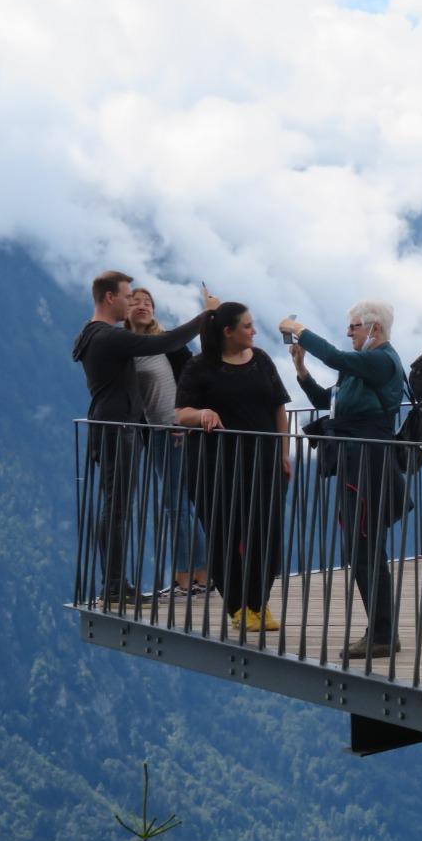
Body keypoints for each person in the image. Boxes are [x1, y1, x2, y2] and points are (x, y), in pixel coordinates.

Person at [72, 271, 215, 608]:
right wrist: (206, 316)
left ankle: (116, 582)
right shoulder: (108, 337)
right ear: (110, 298)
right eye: (126, 297)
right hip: (118, 428)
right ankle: (115, 585)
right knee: (117, 508)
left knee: (115, 506)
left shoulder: (91, 335)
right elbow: (163, 343)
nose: (130, 303)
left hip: (111, 427)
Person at [281, 301, 407, 660]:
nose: (349, 332)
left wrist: (300, 330)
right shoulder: (364, 366)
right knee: (360, 547)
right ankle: (380, 629)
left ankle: (382, 633)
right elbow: (328, 402)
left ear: (374, 330)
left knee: (364, 546)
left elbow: (335, 357)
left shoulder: (381, 360)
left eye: (354, 327)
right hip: (357, 461)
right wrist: (301, 369)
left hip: (367, 462)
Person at [174, 302, 292, 635]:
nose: (254, 331)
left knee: (265, 536)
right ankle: (239, 607)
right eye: (247, 326)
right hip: (215, 467)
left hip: (264, 463)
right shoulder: (200, 367)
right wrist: (203, 414)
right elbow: (181, 413)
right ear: (228, 332)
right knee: (226, 536)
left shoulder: (263, 361)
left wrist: (284, 452)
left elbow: (278, 407)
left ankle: (258, 603)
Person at [127, 288, 209, 598]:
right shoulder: (129, 346)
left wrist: (185, 421)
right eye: (135, 301)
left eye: (147, 302)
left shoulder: (169, 345)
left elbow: (193, 381)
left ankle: (185, 581)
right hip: (157, 432)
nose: (142, 306)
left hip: (173, 430)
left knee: (175, 506)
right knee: (181, 505)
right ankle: (200, 577)